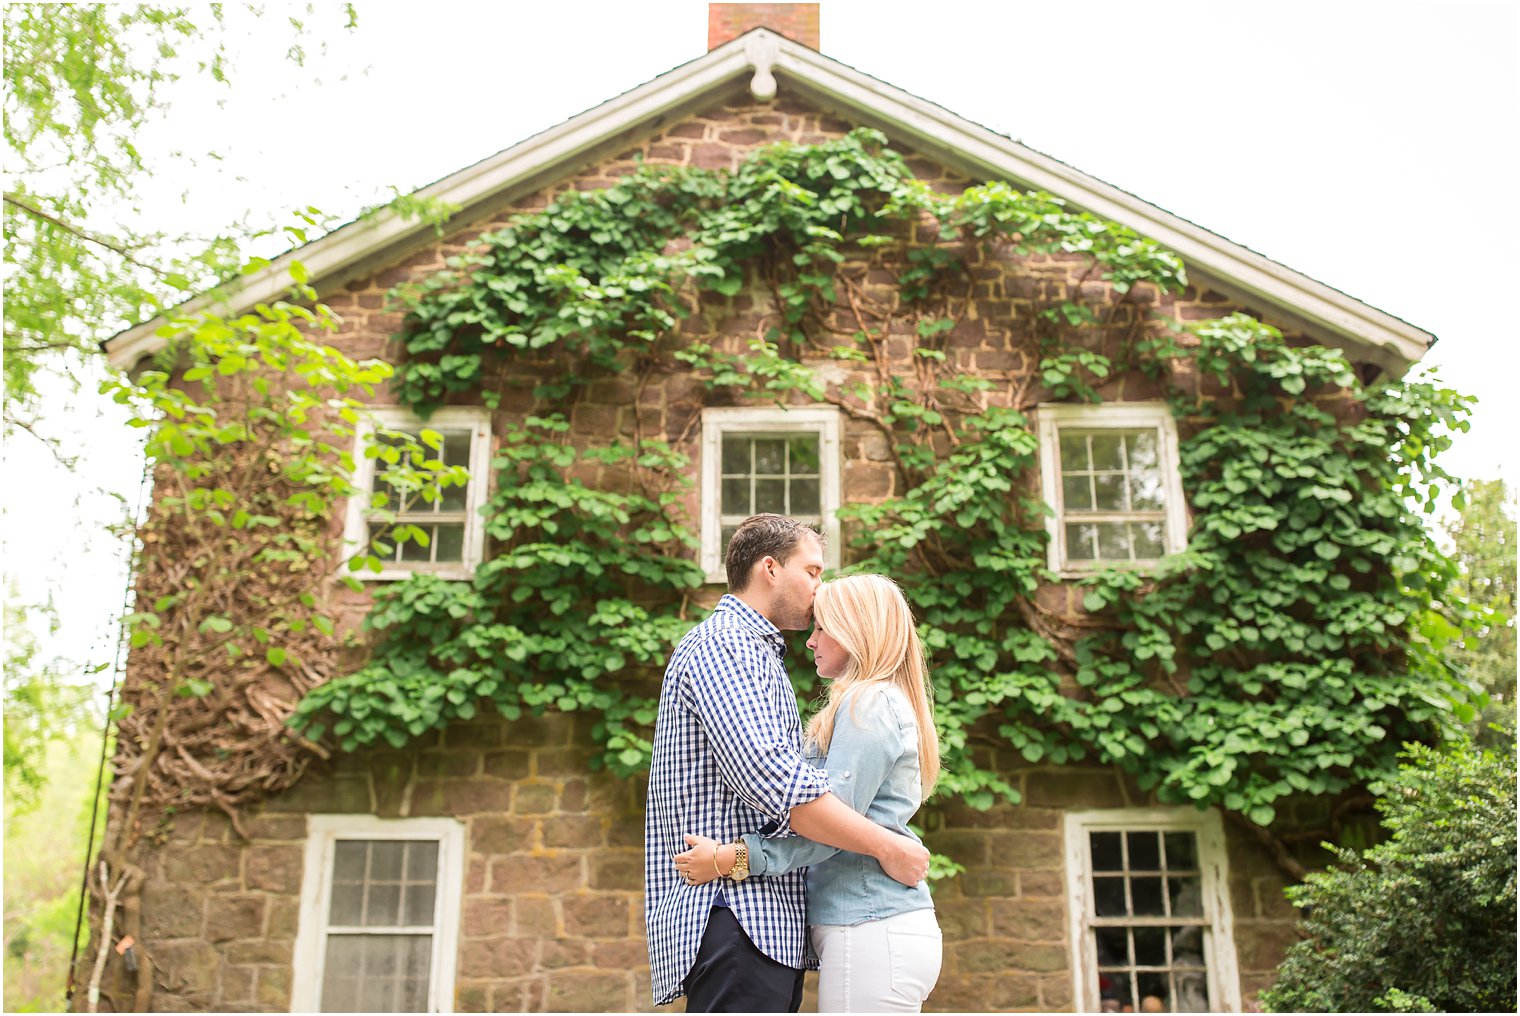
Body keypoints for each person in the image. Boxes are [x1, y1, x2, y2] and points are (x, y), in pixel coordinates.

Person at [645, 515, 931, 1013]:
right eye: (814, 570)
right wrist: (887, 845)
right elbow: (782, 786)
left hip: (758, 918)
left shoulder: (761, 656)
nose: (821, 588)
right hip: (738, 914)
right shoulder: (728, 648)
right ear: (770, 569)